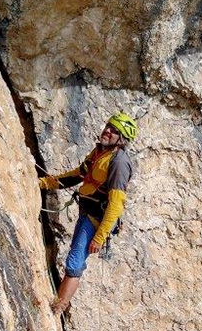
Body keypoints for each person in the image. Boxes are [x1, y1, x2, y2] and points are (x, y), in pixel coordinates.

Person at [39, 112, 138, 316]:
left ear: (121, 139)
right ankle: (59, 305)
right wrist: (46, 183)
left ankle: (57, 309)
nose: (108, 131)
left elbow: (116, 205)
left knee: (75, 262)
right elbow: (79, 174)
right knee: (75, 259)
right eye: (108, 126)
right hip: (87, 210)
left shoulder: (118, 163)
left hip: (95, 218)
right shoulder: (100, 151)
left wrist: (100, 237)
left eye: (114, 131)